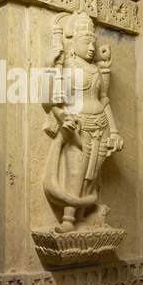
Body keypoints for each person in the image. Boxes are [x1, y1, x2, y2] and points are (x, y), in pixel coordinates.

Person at [44, 12, 124, 233]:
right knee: (76, 172)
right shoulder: (66, 65)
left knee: (92, 175)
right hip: (79, 127)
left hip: (101, 126)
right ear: (73, 42)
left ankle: (81, 216)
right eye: (85, 42)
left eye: (93, 43)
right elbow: (50, 100)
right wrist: (50, 63)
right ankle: (68, 218)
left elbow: (103, 100)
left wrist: (114, 131)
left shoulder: (96, 68)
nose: (91, 47)